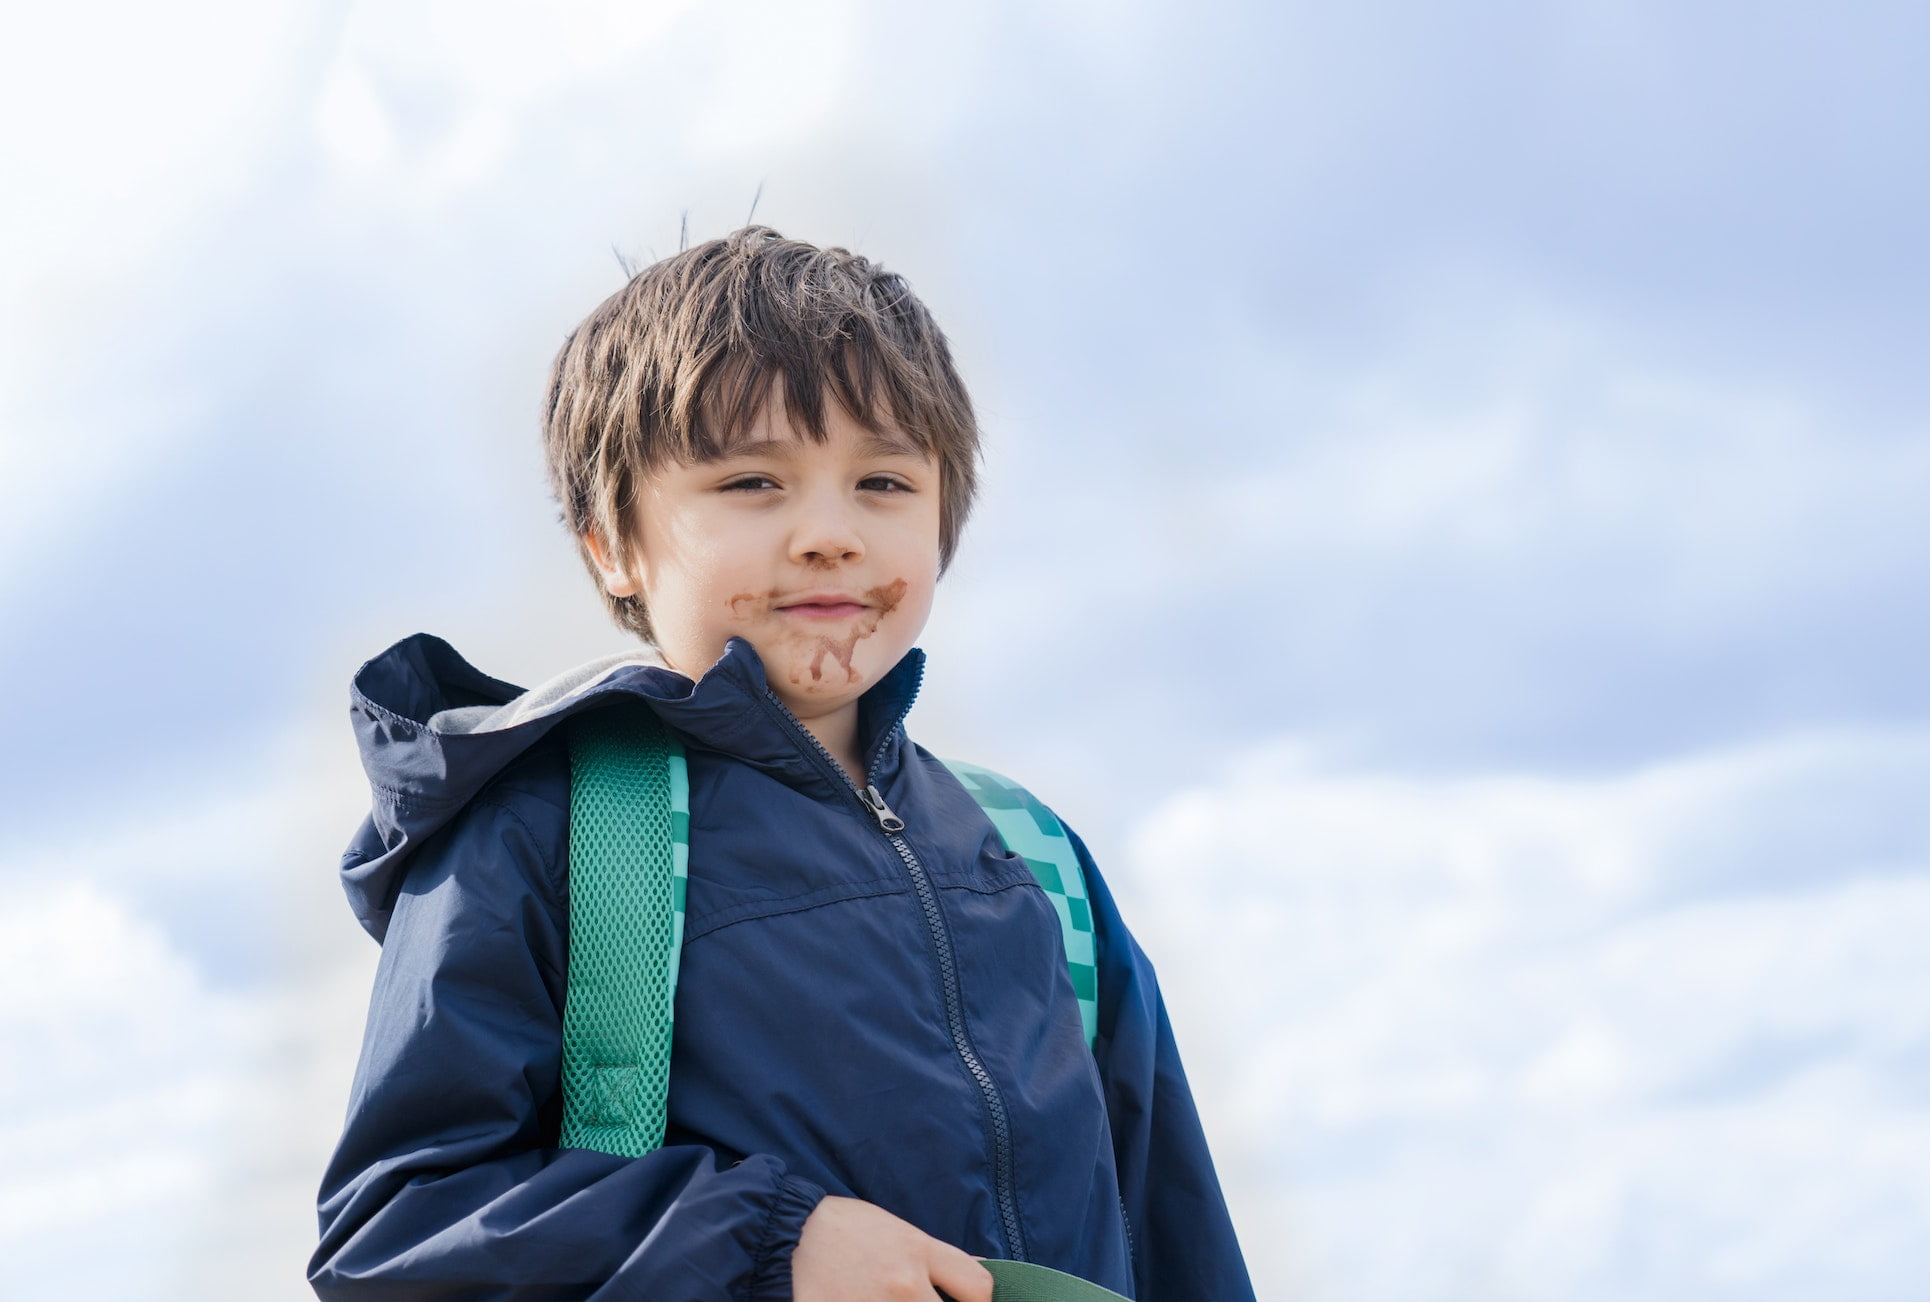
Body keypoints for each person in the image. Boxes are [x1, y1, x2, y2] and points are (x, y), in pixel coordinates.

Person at [309, 226, 1256, 1301]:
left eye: (884, 483)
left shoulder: (1030, 860)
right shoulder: (545, 830)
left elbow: (1177, 1235)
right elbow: (397, 1232)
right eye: (754, 481)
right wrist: (765, 1243)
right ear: (611, 542)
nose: (828, 534)